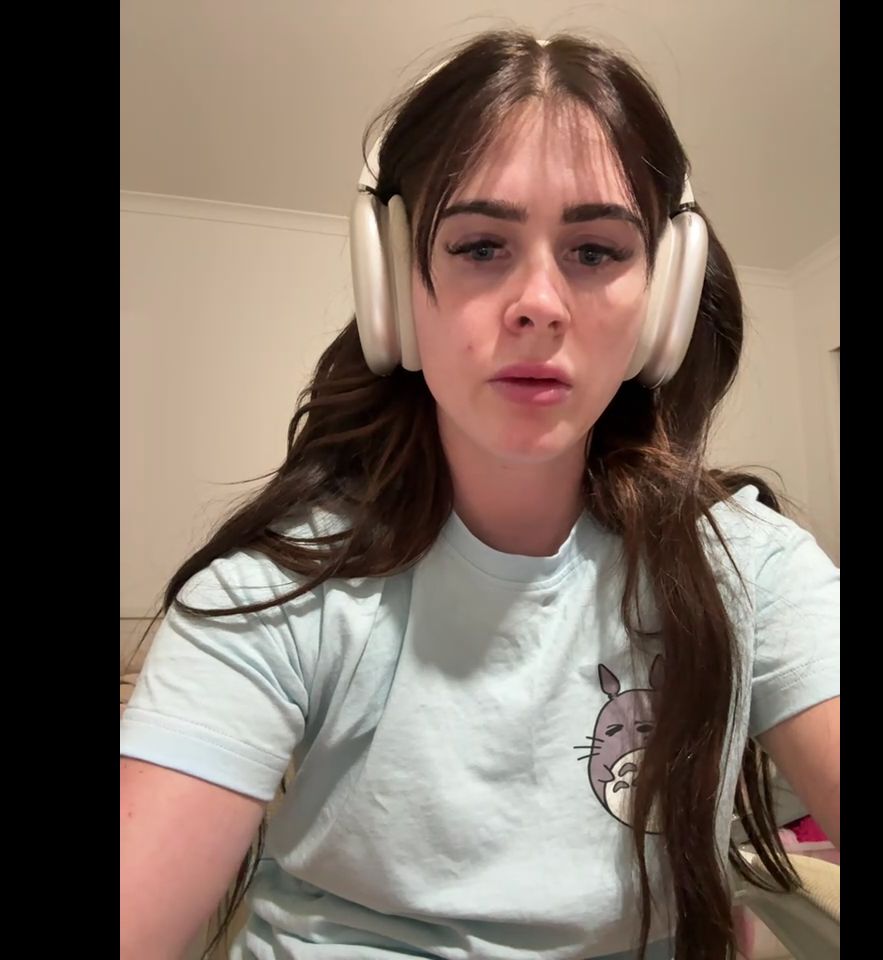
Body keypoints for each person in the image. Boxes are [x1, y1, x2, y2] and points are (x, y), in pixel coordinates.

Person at [120, 29, 840, 960]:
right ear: (393, 288)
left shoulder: (751, 568)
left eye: (595, 251)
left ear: (661, 304)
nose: (539, 302)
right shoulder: (278, 589)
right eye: (481, 245)